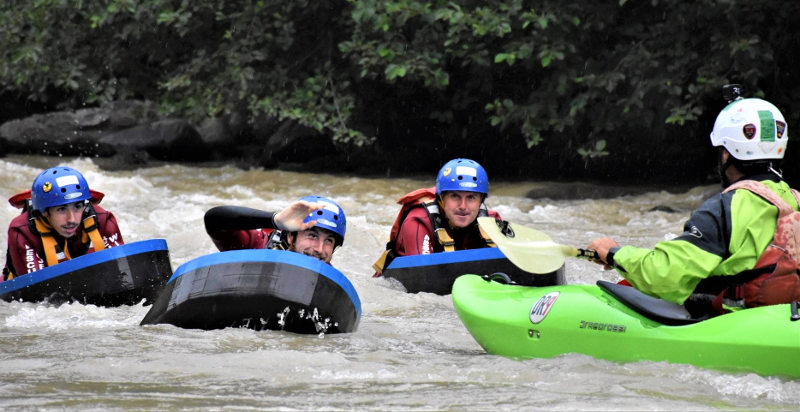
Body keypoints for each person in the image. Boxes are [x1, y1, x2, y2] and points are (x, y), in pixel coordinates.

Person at [587, 95, 800, 315]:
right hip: (787, 317)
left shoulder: (724, 208)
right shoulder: (795, 200)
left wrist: (613, 253)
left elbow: (665, 275)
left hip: (736, 324)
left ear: (726, 154)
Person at [373, 158, 501, 275]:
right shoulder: (418, 221)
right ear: (441, 198)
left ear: (481, 201)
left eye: (471, 197)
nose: (463, 206)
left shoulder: (492, 222)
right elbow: (422, 276)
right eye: (455, 196)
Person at [2, 166, 124, 281]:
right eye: (61, 209)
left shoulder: (103, 220)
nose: (71, 219)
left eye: (77, 206)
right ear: (44, 212)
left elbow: (124, 273)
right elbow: (35, 294)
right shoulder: (22, 231)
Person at [204, 195, 346, 264]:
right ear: (291, 236)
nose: (320, 250)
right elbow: (213, 220)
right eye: (312, 236)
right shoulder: (256, 245)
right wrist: (275, 220)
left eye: (329, 240)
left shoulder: (329, 278)